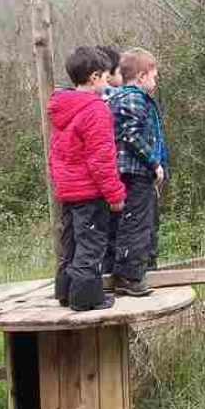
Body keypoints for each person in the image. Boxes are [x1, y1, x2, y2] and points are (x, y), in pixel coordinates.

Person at [50, 46, 126, 310]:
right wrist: (115, 195)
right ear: (94, 77)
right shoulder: (95, 110)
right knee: (91, 244)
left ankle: (65, 291)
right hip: (90, 193)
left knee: (70, 242)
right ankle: (85, 298)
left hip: (68, 191)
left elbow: (57, 154)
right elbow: (101, 159)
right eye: (105, 77)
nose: (106, 83)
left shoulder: (62, 108)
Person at [108, 47, 168, 296]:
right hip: (135, 171)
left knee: (141, 221)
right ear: (142, 76)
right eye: (153, 76)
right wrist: (153, 163)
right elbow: (131, 136)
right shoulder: (133, 97)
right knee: (136, 223)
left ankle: (140, 270)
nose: (155, 81)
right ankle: (129, 276)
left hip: (135, 171)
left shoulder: (127, 97)